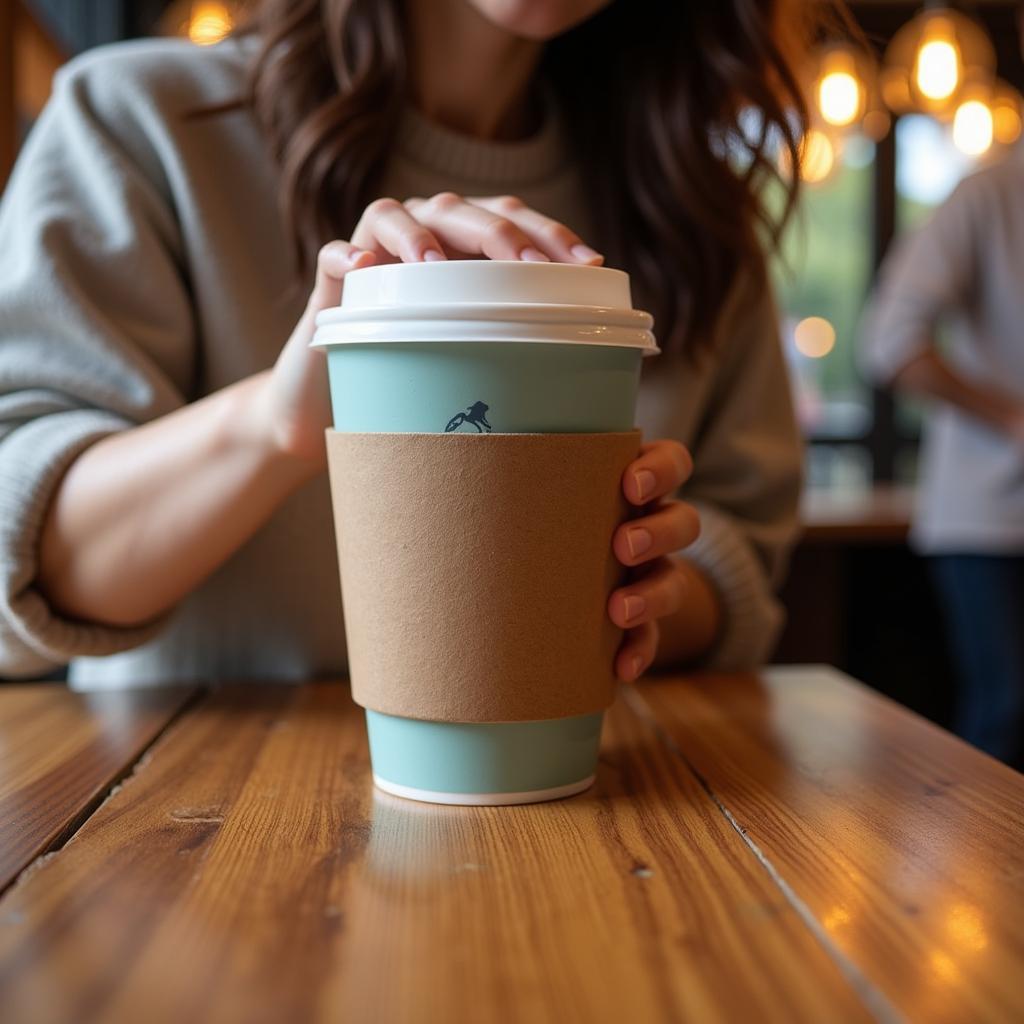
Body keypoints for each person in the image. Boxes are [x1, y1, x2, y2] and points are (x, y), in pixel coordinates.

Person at [0, 0, 805, 690]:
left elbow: (743, 550)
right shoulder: (140, 122)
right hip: (184, 834)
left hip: (594, 820)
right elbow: (23, 556)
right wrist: (280, 419)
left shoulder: (694, 213)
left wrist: (636, 587)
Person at [861, 144, 1024, 769]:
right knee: (1006, 714)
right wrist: (1012, 419)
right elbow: (889, 341)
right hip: (988, 517)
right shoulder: (987, 195)